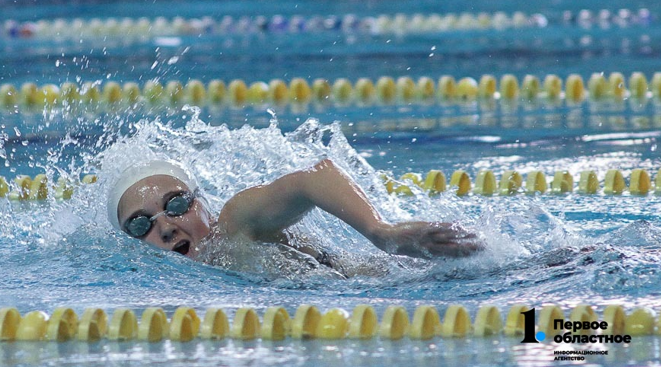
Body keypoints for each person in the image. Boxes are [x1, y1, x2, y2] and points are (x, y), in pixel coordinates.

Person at [108, 158, 483, 268]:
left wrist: (382, 233)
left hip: (407, 279)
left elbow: (313, 178)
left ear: (203, 203)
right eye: (141, 224)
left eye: (176, 203)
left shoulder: (236, 224)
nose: (168, 227)